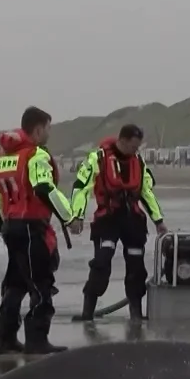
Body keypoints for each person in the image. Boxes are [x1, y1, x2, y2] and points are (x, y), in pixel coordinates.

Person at [0, 107, 82, 356]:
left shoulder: (4, 159)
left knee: (15, 283)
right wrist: (69, 217)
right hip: (31, 227)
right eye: (48, 128)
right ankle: (37, 339)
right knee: (41, 282)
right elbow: (43, 188)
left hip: (12, 227)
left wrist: (3, 226)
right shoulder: (35, 155)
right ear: (38, 129)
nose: (49, 133)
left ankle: (6, 339)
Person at [71, 124, 167, 322]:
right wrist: (77, 216)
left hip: (132, 220)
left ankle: (136, 313)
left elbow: (146, 192)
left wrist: (158, 220)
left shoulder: (138, 161)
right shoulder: (97, 158)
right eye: (133, 146)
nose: (136, 150)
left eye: (138, 147)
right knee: (102, 264)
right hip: (108, 219)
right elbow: (81, 188)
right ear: (121, 141)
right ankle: (87, 312)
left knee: (136, 267)